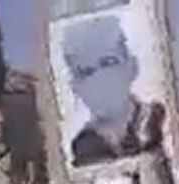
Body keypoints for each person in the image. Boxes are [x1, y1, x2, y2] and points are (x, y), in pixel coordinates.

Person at [62, 15, 168, 169]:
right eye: (85, 71)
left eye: (108, 62)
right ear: (75, 87)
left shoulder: (158, 119)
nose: (99, 78)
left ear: (132, 66)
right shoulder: (84, 147)